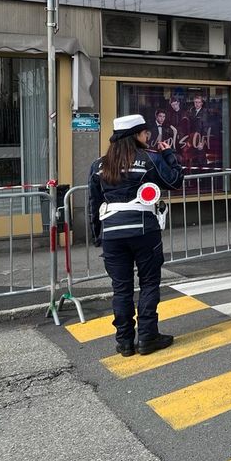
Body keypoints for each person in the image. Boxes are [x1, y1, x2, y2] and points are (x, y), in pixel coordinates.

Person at [88, 114, 184, 357]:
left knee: (121, 289)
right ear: (136, 135)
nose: (147, 137)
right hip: (143, 231)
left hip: (112, 233)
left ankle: (125, 342)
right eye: (144, 133)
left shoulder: (99, 165)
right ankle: (148, 337)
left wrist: (97, 235)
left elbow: (94, 202)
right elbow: (174, 180)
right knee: (149, 283)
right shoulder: (149, 159)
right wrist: (169, 155)